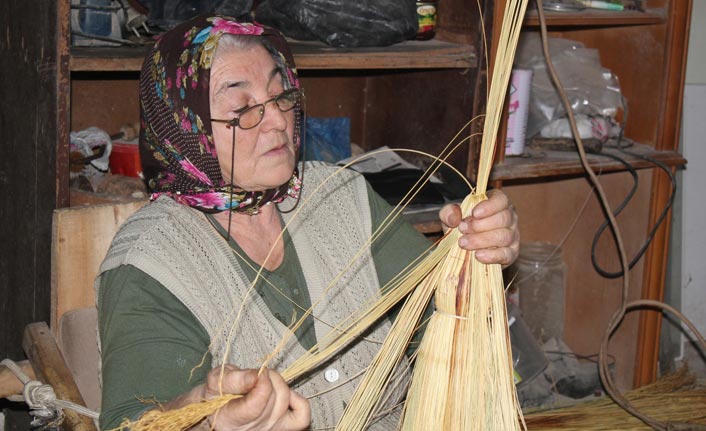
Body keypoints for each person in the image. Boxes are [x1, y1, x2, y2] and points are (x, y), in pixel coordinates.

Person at [96, 15, 520, 431]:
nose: (278, 120)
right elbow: (137, 424)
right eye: (243, 109)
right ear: (183, 126)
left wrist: (472, 258)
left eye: (281, 97)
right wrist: (205, 417)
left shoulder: (340, 195)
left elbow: (439, 319)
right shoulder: (151, 263)